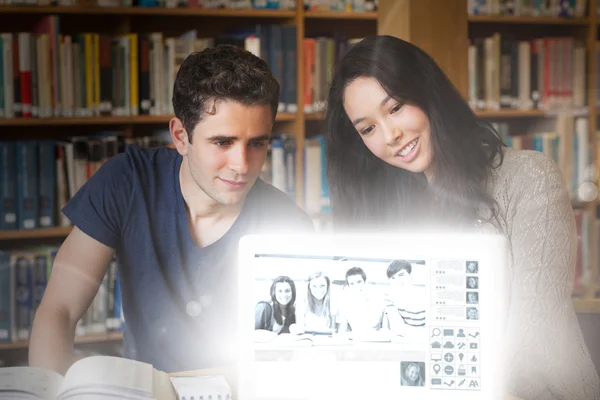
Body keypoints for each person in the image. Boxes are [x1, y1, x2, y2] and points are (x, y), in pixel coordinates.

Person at [325, 35, 600, 399]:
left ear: (427, 93)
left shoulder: (529, 178)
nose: (390, 135)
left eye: (395, 108)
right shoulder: (389, 209)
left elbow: (533, 346)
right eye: (368, 129)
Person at [29, 44, 315, 374]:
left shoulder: (288, 224)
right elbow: (59, 310)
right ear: (181, 136)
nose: (242, 165)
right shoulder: (127, 181)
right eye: (223, 142)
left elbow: (296, 357)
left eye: (257, 143)